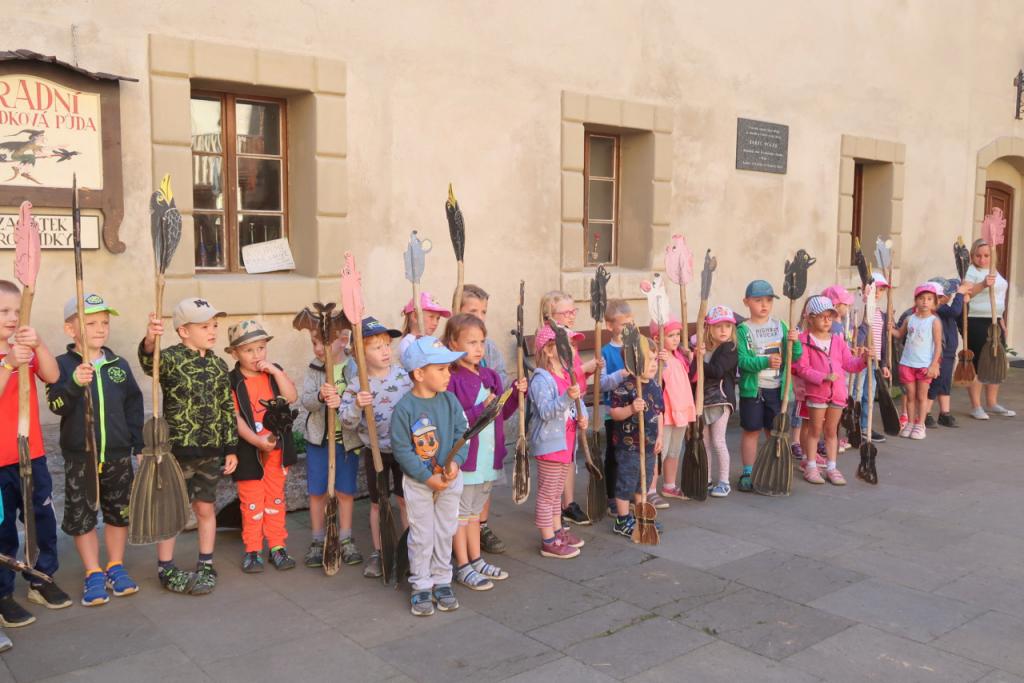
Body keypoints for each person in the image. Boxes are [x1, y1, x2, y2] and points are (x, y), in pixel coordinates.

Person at [47, 294, 143, 606]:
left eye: (104, 322)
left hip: (117, 455)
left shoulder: (119, 365)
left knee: (118, 512)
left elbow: (133, 405)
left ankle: (115, 565)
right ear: (70, 329)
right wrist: (74, 383)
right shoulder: (61, 366)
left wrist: (138, 444)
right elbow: (56, 404)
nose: (100, 328)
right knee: (82, 516)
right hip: (81, 457)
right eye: (90, 323)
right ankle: (93, 571)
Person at [140, 297, 237, 595]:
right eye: (204, 326)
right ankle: (165, 567)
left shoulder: (219, 365)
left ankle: (206, 563)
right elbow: (149, 362)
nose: (212, 331)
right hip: (177, 453)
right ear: (184, 331)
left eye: (214, 325)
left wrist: (231, 447)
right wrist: (150, 340)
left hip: (210, 451)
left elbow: (226, 408)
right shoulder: (171, 359)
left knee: (205, 507)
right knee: (171, 510)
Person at [0, 280, 68, 628]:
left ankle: (41, 579)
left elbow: (53, 375)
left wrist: (38, 343)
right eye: (4, 311)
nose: (12, 318)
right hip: (0, 463)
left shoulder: (23, 349)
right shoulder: (12, 358)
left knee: (42, 521)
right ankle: (3, 595)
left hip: (32, 455)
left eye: (17, 311)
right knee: (3, 532)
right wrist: (9, 365)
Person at [443, 314, 524, 590]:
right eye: (471, 342)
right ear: (453, 343)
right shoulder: (452, 379)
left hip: (488, 457)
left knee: (475, 513)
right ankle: (463, 564)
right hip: (467, 459)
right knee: (461, 513)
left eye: (481, 342)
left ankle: (476, 559)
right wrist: (482, 408)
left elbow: (502, 414)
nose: (479, 348)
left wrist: (515, 393)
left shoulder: (490, 376)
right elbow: (454, 420)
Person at [390, 336, 468, 617]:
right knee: (422, 534)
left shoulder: (450, 401)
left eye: (449, 368)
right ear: (420, 374)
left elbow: (462, 435)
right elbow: (402, 449)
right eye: (441, 369)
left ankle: (442, 579)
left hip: (449, 479)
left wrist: (456, 463)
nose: (448, 375)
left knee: (445, 530)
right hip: (419, 483)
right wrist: (426, 477)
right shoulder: (404, 409)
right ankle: (421, 583)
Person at [539, 290, 624, 524]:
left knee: (569, 457)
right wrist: (585, 368)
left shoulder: (569, 339)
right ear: (550, 315)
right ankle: (556, 506)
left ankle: (567, 503)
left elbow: (574, 375)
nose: (572, 315)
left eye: (573, 310)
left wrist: (588, 370)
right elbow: (561, 375)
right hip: (560, 408)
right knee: (560, 459)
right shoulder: (551, 342)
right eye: (566, 312)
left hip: (575, 404)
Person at [339, 316, 411, 578]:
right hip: (376, 452)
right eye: (377, 347)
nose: (385, 351)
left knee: (405, 500)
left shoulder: (404, 377)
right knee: (378, 503)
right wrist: (357, 405)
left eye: (387, 345)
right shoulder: (357, 385)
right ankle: (380, 552)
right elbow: (346, 422)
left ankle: (411, 549)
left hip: (405, 451)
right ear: (360, 354)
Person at [226, 320, 299, 572]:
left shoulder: (274, 373)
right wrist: (257, 441)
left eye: (261, 348)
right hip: (249, 450)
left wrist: (276, 373)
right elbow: (235, 418)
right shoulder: (232, 381)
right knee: (252, 501)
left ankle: (277, 546)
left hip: (277, 450)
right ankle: (253, 549)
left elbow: (291, 397)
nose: (256, 355)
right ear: (234, 353)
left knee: (275, 499)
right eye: (249, 350)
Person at [300, 323, 364, 570]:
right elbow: (306, 401)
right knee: (317, 492)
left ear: (343, 340)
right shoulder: (314, 368)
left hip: (346, 442)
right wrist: (319, 396)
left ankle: (345, 538)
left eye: (323, 343)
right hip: (319, 441)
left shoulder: (354, 368)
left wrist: (342, 400)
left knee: (344, 491)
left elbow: (360, 399)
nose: (318, 348)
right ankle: (318, 540)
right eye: (314, 343)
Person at [792, 296, 867, 484]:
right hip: (816, 393)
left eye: (829, 316)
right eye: (821, 316)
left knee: (832, 432)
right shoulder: (803, 341)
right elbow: (802, 368)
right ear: (810, 318)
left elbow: (849, 364)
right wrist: (823, 377)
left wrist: (864, 360)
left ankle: (832, 467)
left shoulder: (838, 341)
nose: (827, 321)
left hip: (838, 394)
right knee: (814, 431)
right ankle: (810, 466)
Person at [736, 280, 802, 492]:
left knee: (775, 432)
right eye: (758, 300)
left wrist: (795, 341)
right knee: (751, 431)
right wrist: (765, 362)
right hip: (753, 390)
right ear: (746, 302)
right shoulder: (743, 330)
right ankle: (748, 471)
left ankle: (774, 470)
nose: (764, 305)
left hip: (777, 389)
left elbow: (794, 356)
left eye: (768, 300)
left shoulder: (780, 326)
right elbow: (742, 361)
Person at [527, 325, 587, 559]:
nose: (571, 350)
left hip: (565, 445)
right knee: (547, 495)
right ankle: (548, 540)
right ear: (549, 350)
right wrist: (566, 398)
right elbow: (545, 411)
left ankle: (557, 531)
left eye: (572, 345)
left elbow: (577, 404)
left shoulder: (565, 375)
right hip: (550, 446)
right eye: (565, 345)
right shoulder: (541, 380)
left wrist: (583, 417)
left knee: (556, 494)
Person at [457, 284, 507, 554]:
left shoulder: (490, 348)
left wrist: (510, 394)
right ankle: (462, 549)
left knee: (483, 485)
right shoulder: (450, 356)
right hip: (465, 440)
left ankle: (481, 528)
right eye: (472, 311)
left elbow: (500, 386)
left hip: (488, 435)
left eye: (483, 312)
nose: (479, 317)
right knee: (464, 500)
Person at [609, 336, 664, 537]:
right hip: (629, 447)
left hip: (649, 446)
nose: (653, 364)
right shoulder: (625, 387)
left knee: (644, 483)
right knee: (627, 482)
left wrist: (660, 436)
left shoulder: (655, 386)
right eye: (648, 360)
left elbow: (659, 413)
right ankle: (622, 519)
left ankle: (641, 516)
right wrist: (631, 409)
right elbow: (614, 413)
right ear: (633, 363)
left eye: (655, 359)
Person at [962, 238, 1014, 418]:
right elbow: (966, 293)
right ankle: (976, 406)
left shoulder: (994, 271)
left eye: (986, 255)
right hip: (976, 320)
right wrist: (983, 284)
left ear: (992, 256)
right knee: (979, 362)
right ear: (972, 256)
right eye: (978, 256)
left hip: (995, 320)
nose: (982, 259)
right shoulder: (971, 271)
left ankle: (992, 402)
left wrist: (1002, 321)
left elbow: (999, 298)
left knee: (995, 361)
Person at [649, 317, 694, 500]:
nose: (676, 339)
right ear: (658, 338)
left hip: (681, 409)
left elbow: (691, 376)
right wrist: (659, 361)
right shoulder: (657, 358)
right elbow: (652, 379)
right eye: (671, 335)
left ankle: (669, 485)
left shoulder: (679, 356)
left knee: (675, 450)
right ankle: (650, 489)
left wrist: (692, 357)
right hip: (666, 411)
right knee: (660, 451)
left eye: (677, 334)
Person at [891, 283, 942, 440]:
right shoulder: (909, 319)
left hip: (924, 366)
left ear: (934, 302)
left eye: (929, 299)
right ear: (916, 301)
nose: (925, 302)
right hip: (907, 363)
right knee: (910, 396)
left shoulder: (934, 321)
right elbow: (899, 334)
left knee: (921, 396)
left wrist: (934, 364)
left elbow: (938, 345)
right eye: (921, 298)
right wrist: (889, 328)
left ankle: (920, 424)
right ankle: (910, 423)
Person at [698, 305, 739, 496]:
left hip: (721, 400)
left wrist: (700, 361)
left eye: (727, 326)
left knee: (718, 440)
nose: (724, 330)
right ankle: (706, 479)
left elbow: (717, 371)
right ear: (709, 328)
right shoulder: (704, 348)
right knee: (704, 442)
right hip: (704, 400)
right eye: (718, 326)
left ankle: (724, 481)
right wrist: (695, 356)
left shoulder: (730, 349)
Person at [925, 277, 969, 428]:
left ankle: (945, 413)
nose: (949, 296)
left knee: (945, 382)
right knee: (936, 382)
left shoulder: (946, 308)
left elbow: (960, 314)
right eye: (947, 294)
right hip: (940, 353)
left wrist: (964, 301)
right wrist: (960, 294)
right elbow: (954, 311)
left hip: (949, 352)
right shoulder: (937, 308)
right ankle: (925, 413)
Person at [601, 299, 632, 506]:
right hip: (613, 410)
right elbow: (603, 383)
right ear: (610, 326)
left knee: (631, 453)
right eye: (623, 324)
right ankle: (612, 495)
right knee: (614, 454)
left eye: (630, 323)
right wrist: (620, 374)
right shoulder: (605, 352)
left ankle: (628, 492)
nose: (628, 328)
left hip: (634, 408)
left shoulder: (636, 347)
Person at [856, 272, 891, 442]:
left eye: (881, 289)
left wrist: (883, 363)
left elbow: (883, 342)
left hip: (875, 361)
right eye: (875, 288)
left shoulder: (881, 315)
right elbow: (857, 334)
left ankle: (865, 426)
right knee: (857, 393)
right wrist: (860, 347)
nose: (878, 293)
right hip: (861, 361)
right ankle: (854, 426)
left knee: (868, 395)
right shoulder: (860, 312)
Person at [398, 292, 451, 357]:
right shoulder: (407, 342)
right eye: (431, 317)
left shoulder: (434, 341)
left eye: (438, 318)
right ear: (415, 316)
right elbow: (413, 362)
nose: (435, 323)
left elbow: (445, 356)